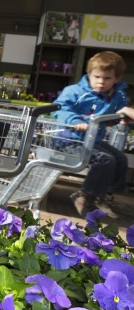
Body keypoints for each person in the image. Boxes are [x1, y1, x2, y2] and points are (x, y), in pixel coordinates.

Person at [53, 51, 134, 217]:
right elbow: (60, 108)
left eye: (107, 78)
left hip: (92, 141)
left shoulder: (117, 96)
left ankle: (103, 195)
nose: (101, 82)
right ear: (89, 74)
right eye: (97, 77)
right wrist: (75, 121)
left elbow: (121, 110)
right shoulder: (75, 91)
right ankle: (85, 194)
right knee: (105, 159)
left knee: (120, 158)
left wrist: (124, 116)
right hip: (70, 140)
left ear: (117, 79)